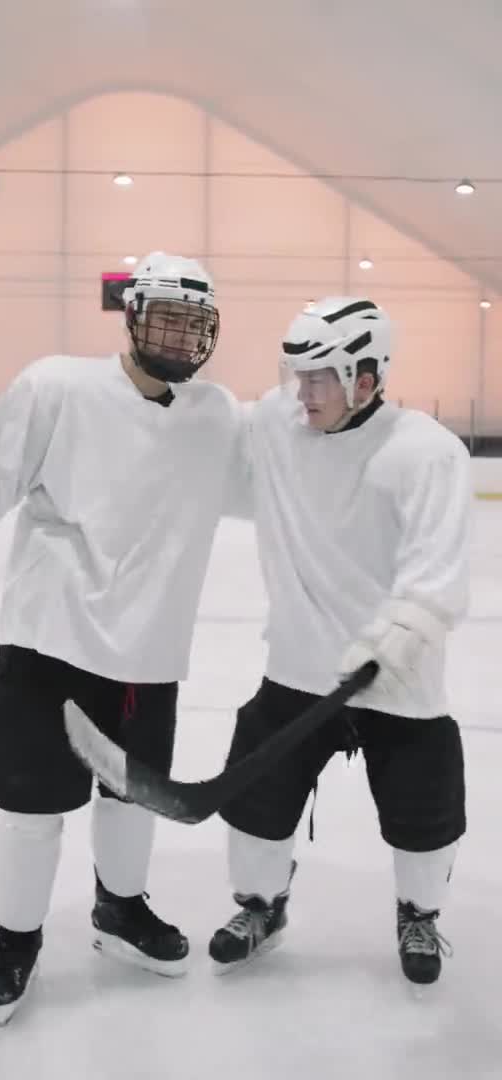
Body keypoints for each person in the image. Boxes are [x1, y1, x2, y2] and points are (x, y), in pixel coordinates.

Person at [0, 251, 241, 1021]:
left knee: (132, 799)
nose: (181, 337)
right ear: (130, 314)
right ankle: (19, 939)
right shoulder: (58, 385)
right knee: (32, 809)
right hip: (49, 644)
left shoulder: (215, 414)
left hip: (147, 657)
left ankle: (119, 909)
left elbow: (271, 484)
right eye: (167, 317)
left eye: (196, 325)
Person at [208, 297, 470, 987]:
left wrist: (389, 647)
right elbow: (197, 447)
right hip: (297, 670)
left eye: (322, 376)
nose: (306, 392)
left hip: (398, 681)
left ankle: (419, 913)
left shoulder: (425, 453)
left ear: (368, 375)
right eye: (300, 376)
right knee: (257, 799)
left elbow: (436, 580)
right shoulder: (277, 424)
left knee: (425, 809)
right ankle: (262, 906)